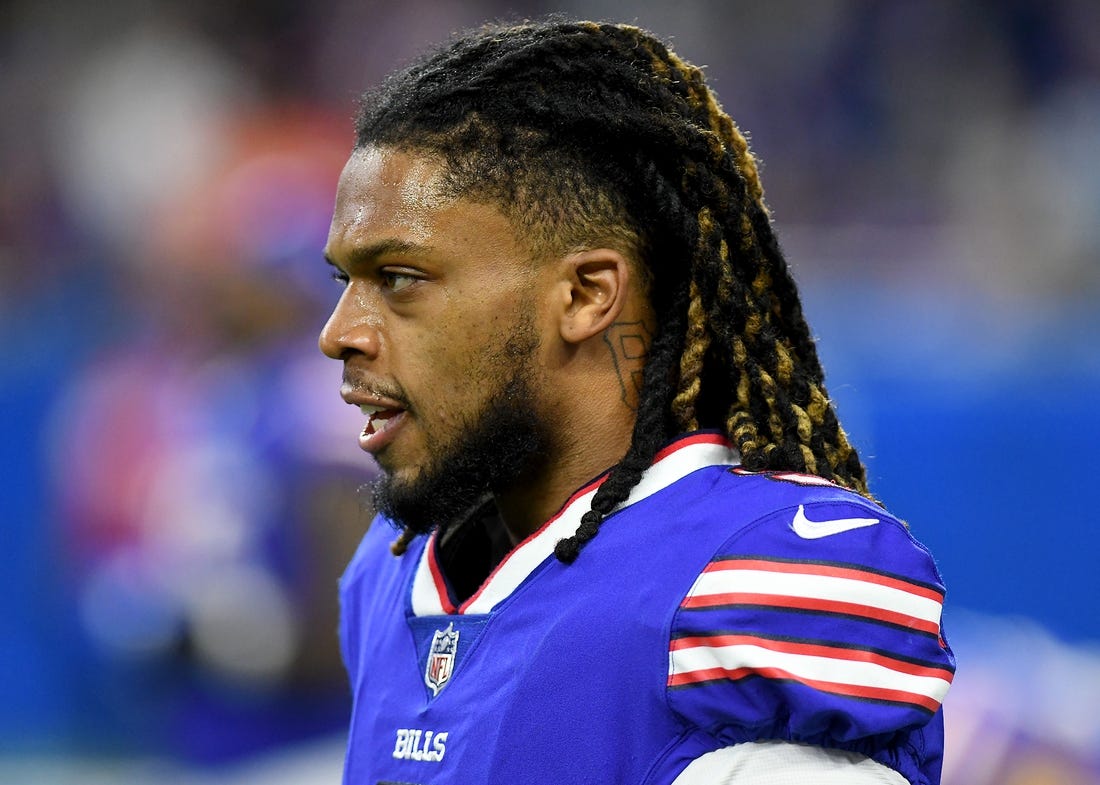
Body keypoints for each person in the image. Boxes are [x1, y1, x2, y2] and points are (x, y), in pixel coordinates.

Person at [319, 19, 954, 785]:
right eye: (343, 281)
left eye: (399, 278)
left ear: (585, 294)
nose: (340, 333)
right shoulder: (390, 575)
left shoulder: (750, 577)